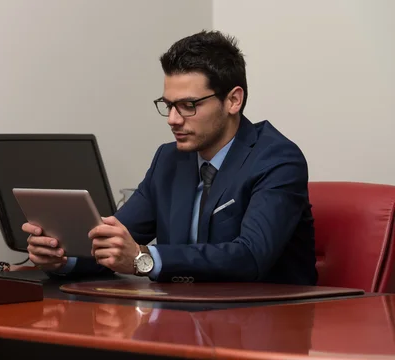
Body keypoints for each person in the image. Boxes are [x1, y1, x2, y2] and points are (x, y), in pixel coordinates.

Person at [22, 30, 318, 285]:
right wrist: (61, 258)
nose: (173, 120)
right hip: (182, 317)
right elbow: (117, 242)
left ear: (233, 100)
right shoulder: (169, 159)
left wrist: (144, 258)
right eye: (168, 105)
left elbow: (251, 257)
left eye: (188, 105)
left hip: (267, 323)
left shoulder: (277, 159)